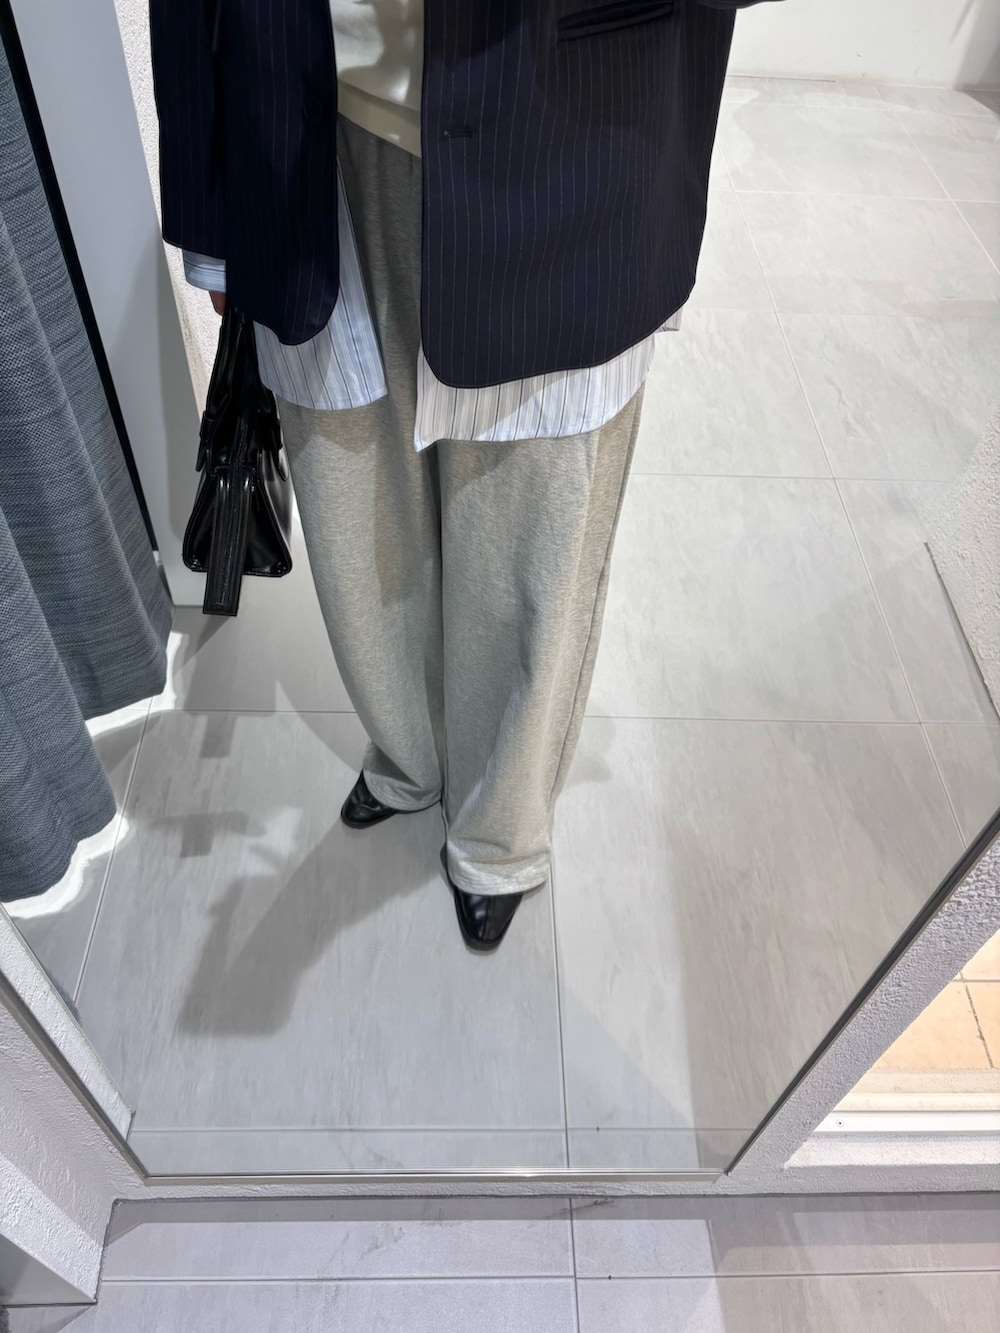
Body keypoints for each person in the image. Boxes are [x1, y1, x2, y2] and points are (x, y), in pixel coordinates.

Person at [150, 0, 777, 952]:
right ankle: (410, 754)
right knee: (354, 509)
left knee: (528, 532)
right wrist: (210, 204)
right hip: (301, 115)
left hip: (569, 119)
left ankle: (497, 831)